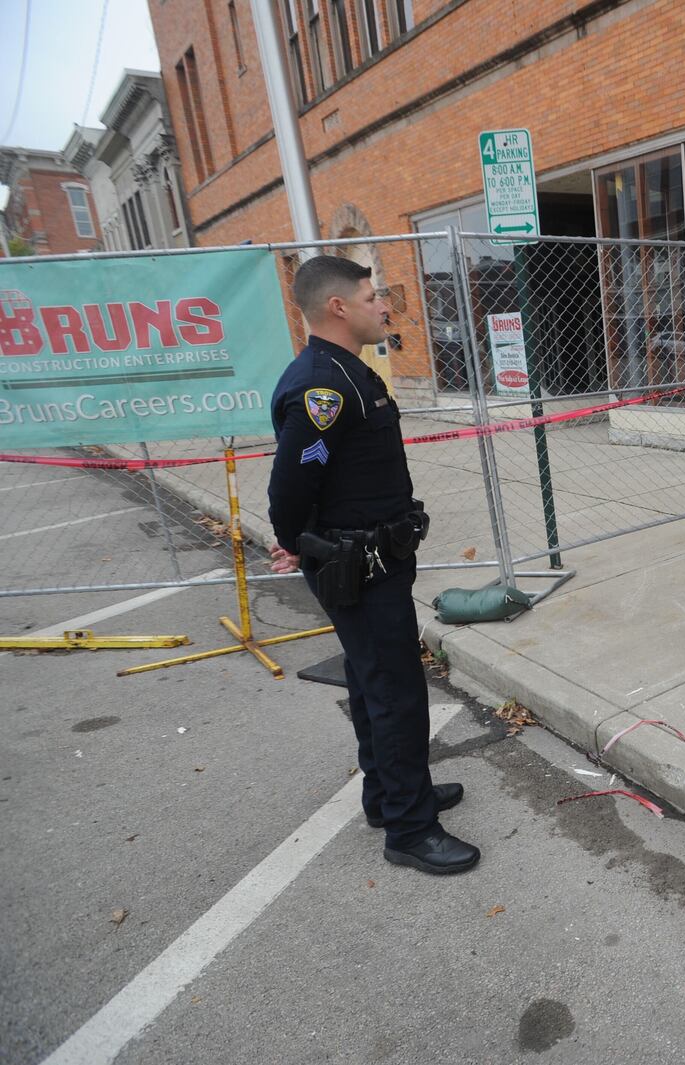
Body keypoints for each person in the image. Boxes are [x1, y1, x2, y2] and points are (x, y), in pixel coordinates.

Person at [266, 255, 478, 875]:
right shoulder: (322, 386)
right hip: (359, 565)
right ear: (338, 307)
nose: (385, 306)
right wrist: (297, 541)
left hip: (378, 556)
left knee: (371, 681)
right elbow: (291, 486)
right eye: (373, 296)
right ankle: (411, 830)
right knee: (395, 691)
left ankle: (388, 796)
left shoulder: (347, 372)